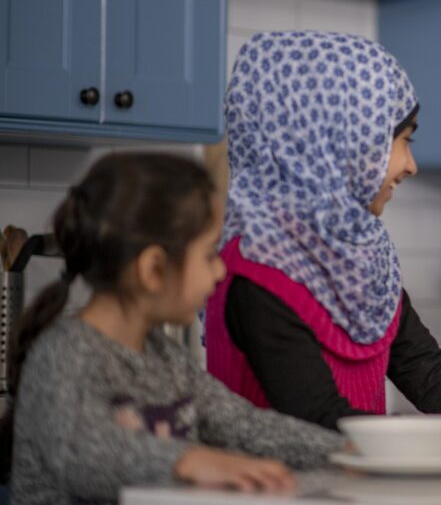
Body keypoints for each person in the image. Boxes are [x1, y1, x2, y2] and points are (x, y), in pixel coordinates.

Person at [204, 31, 441, 457]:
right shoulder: (257, 270)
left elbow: (429, 374)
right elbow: (318, 420)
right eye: (403, 140)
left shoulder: (360, 257)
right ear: (340, 137)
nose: (411, 164)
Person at [8, 153, 347, 504]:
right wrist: (188, 460)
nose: (219, 271)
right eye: (208, 255)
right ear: (153, 269)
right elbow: (81, 448)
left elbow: (245, 427)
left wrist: (348, 452)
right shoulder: (64, 353)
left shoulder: (167, 357)